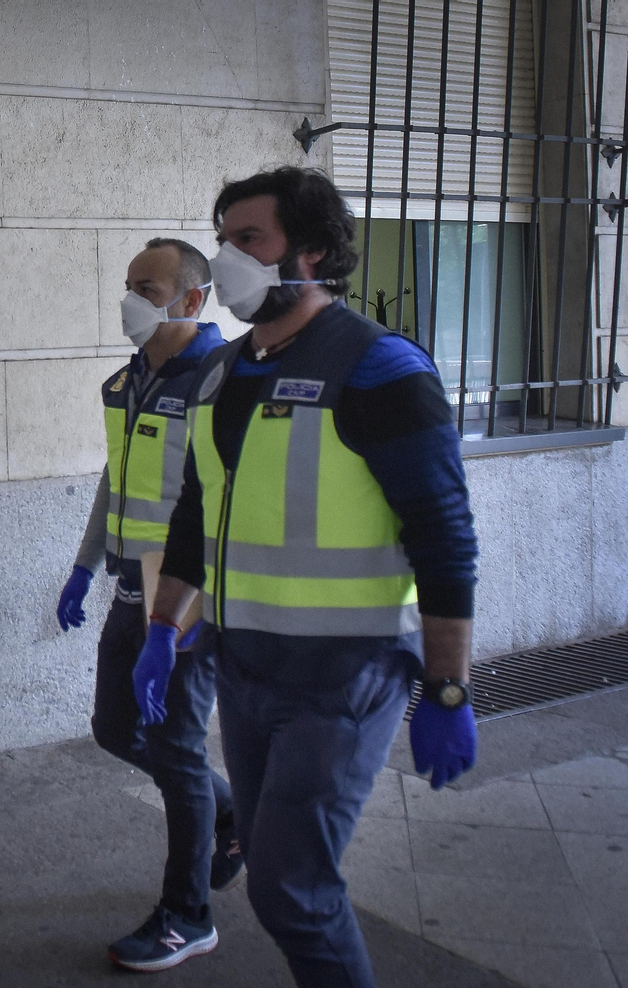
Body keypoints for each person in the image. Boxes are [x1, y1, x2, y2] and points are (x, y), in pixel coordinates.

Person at [141, 167, 479, 988]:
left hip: (343, 679)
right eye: (222, 241)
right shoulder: (229, 375)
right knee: (269, 865)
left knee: (293, 891)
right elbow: (196, 515)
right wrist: (162, 626)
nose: (227, 260)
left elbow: (445, 541)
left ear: (314, 252)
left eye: (248, 240)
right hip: (247, 671)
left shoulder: (379, 368)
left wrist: (446, 691)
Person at [56, 238, 242, 973]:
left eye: (148, 285)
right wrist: (83, 565)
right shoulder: (129, 381)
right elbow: (117, 477)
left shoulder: (219, 382)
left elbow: (218, 500)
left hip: (186, 602)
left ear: (191, 301)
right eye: (129, 283)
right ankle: (227, 811)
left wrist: (181, 618)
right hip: (131, 590)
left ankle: (187, 916)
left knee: (176, 748)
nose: (130, 297)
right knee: (113, 728)